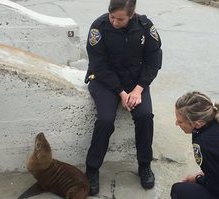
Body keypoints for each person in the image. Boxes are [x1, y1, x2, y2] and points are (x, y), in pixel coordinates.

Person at [84, 0, 162, 196]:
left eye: (120, 19)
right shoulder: (99, 28)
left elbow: (153, 61)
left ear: (132, 14)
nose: (114, 22)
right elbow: (98, 65)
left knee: (145, 116)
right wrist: (121, 92)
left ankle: (144, 165)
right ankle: (92, 169)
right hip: (105, 81)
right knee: (105, 120)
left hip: (135, 82)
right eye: (112, 17)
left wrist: (138, 90)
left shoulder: (145, 27)